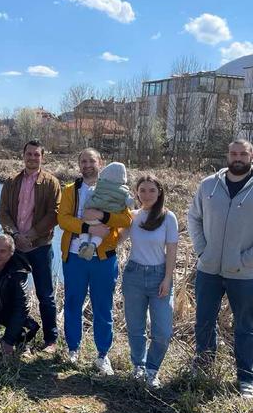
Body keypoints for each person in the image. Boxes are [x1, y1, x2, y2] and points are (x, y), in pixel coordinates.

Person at [188, 139, 253, 399]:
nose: (238, 157)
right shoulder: (209, 185)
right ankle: (204, 365)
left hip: (243, 274)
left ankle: (245, 378)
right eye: (233, 153)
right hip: (208, 269)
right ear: (227, 155)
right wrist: (201, 250)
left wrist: (249, 258)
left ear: (252, 156)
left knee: (244, 326)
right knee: (204, 321)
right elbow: (193, 217)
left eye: (243, 153)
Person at [58, 148, 132, 373]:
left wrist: (104, 217)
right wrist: (87, 226)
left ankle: (102, 355)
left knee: (103, 306)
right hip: (74, 256)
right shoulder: (71, 190)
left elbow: (126, 219)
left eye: (91, 160)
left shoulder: (116, 190)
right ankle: (73, 349)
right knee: (72, 303)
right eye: (83, 161)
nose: (87, 164)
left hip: (103, 258)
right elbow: (63, 219)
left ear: (100, 162)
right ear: (78, 164)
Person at [0, 140, 61, 352]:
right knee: (14, 293)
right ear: (23, 155)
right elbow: (2, 212)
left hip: (40, 246)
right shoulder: (11, 182)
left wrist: (31, 235)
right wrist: (15, 234)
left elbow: (55, 214)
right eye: (29, 154)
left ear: (42, 157)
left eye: (37, 155)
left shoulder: (51, 183)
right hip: (15, 247)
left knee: (45, 294)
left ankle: (51, 340)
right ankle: (15, 335)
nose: (32, 158)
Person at [121, 175, 178, 388]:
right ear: (136, 193)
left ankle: (152, 370)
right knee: (136, 327)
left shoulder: (168, 217)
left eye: (152, 190)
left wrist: (167, 278)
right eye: (142, 190)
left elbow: (172, 250)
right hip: (134, 274)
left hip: (159, 276)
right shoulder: (132, 216)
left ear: (159, 192)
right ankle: (139, 366)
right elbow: (117, 239)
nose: (147, 195)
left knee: (162, 331)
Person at [76, 162, 134, 261]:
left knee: (85, 227)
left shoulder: (99, 185)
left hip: (90, 217)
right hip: (106, 224)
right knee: (101, 233)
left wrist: (97, 212)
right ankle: (93, 245)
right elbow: (130, 207)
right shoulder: (124, 191)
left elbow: (126, 221)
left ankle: (84, 243)